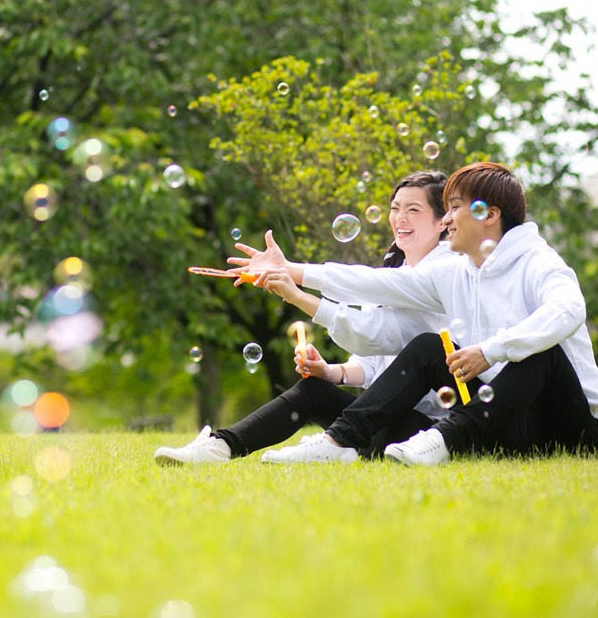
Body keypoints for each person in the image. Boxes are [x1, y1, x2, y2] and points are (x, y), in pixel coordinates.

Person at [231, 161, 598, 466]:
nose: (446, 220)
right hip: (503, 420)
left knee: (541, 352)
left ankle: (443, 438)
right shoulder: (456, 273)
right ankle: (339, 440)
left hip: (569, 430)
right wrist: (294, 271)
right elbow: (375, 283)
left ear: (490, 214)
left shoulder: (538, 261)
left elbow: (568, 310)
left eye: (453, 208)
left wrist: (492, 349)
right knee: (430, 347)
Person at [154, 171, 454, 465]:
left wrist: (294, 280)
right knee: (313, 390)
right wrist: (331, 371)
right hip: (383, 420)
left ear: (443, 221)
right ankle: (220, 447)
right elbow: (373, 356)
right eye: (395, 208)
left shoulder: (444, 269)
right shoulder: (398, 272)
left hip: (425, 431)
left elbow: (372, 317)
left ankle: (335, 444)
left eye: (413, 210)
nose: (400, 218)